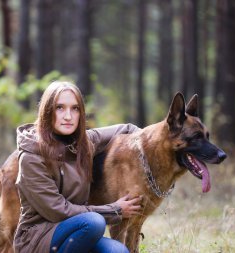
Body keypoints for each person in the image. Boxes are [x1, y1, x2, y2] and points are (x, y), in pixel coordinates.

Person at [14, 81, 142, 253]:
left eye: (75, 109)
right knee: (94, 223)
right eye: (60, 108)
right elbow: (58, 211)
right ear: (47, 111)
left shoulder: (83, 144)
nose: (68, 116)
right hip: (37, 239)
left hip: (76, 231)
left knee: (118, 251)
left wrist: (148, 139)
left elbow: (125, 129)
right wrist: (115, 210)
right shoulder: (31, 157)